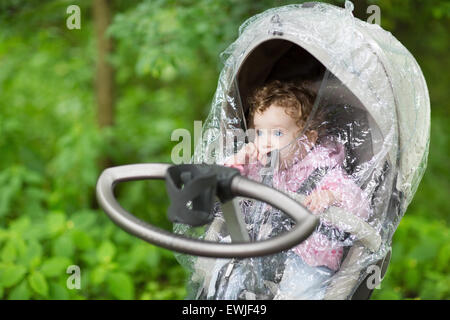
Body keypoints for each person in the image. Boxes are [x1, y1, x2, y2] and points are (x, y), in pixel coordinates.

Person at [219, 79, 372, 299]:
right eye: (260, 133)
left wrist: (331, 196)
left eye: (278, 134)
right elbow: (225, 185)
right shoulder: (262, 166)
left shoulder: (324, 170)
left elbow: (361, 206)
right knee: (230, 280)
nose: (266, 142)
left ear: (307, 139)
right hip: (266, 249)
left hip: (310, 258)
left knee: (298, 293)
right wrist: (239, 160)